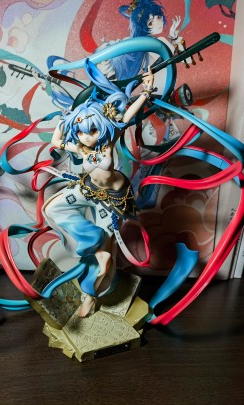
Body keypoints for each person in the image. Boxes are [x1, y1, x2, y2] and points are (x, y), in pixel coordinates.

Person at [43, 63, 155, 317]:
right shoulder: (81, 148)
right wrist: (64, 119)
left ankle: (90, 296)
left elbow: (126, 118)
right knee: (52, 208)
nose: (87, 136)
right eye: (81, 132)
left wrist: (146, 92)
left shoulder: (108, 141)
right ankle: (90, 238)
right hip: (88, 190)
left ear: (102, 127)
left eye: (92, 130)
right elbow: (56, 141)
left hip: (112, 201)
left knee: (105, 260)